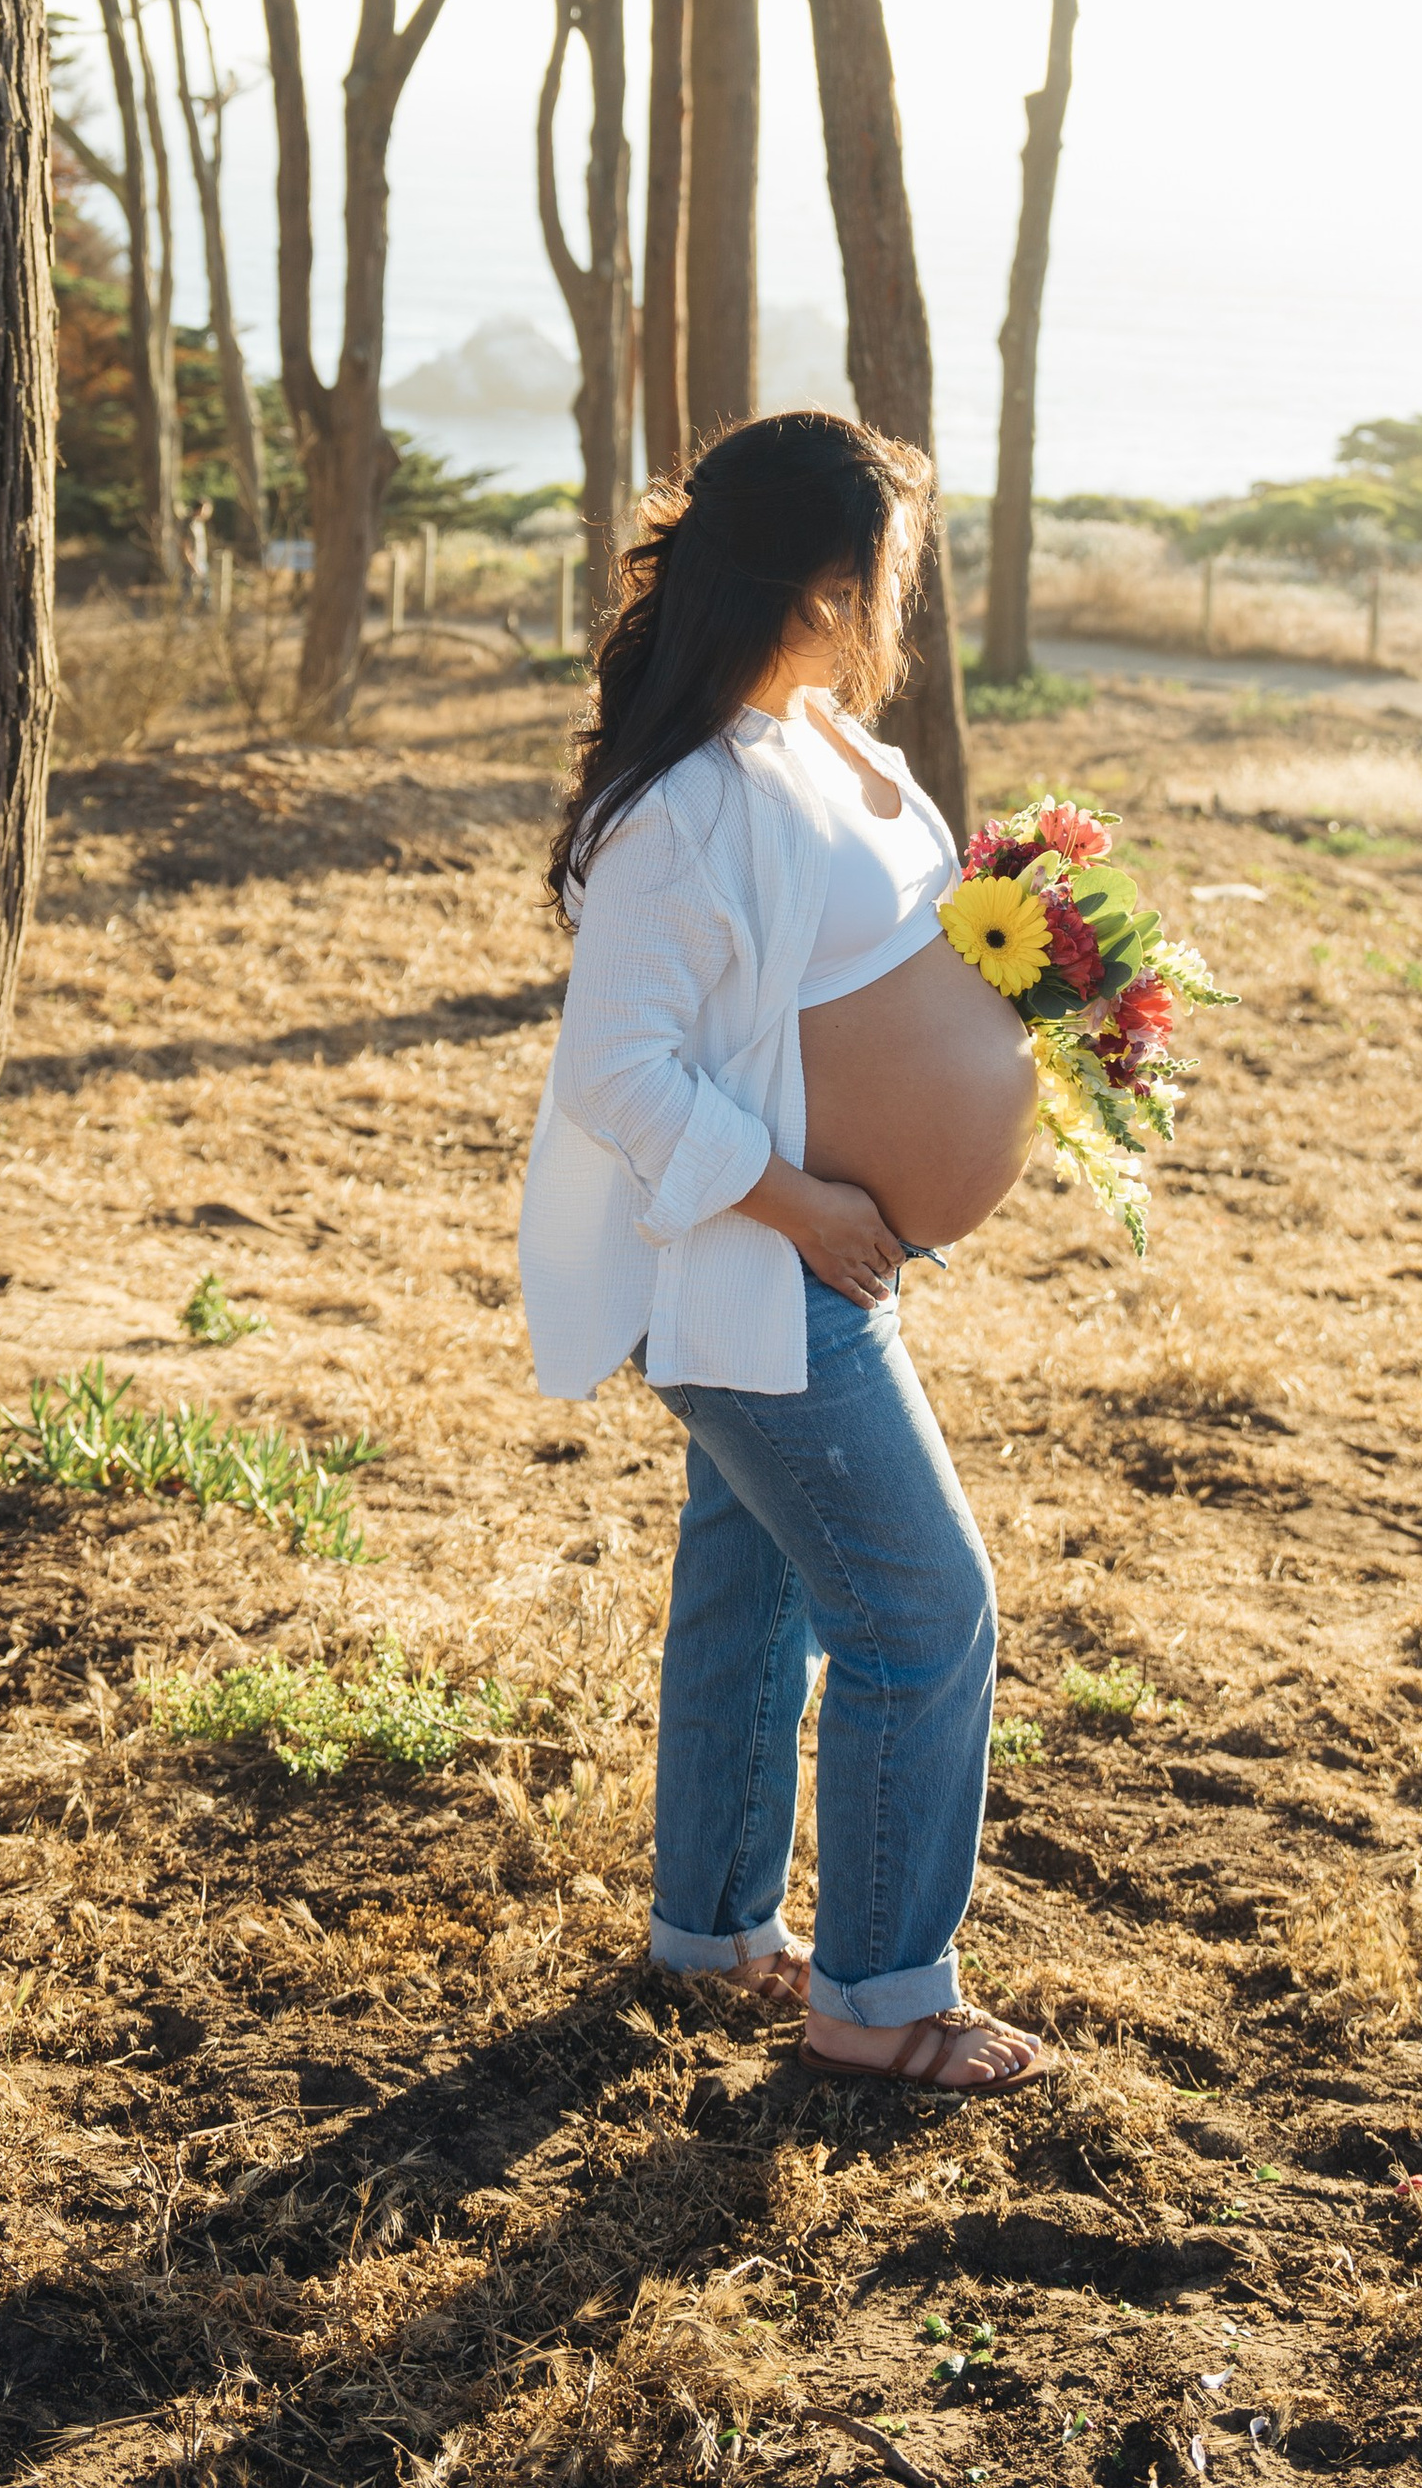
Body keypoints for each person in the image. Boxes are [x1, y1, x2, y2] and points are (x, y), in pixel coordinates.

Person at [520, 410, 1050, 2092]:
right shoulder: (681, 806)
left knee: (757, 1597)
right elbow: (618, 1069)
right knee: (924, 1609)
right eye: (889, 576)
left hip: (803, 1269)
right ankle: (880, 2002)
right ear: (825, 590)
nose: (901, 609)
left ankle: (716, 1931)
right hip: (758, 1276)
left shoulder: (809, 737)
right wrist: (808, 1202)